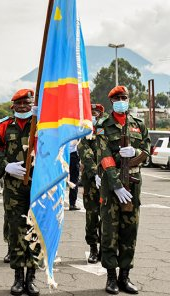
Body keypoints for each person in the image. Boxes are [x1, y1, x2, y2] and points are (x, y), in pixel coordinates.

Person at [0, 89, 40, 296]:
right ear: (13, 106)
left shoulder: (41, 125)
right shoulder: (4, 126)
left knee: (35, 231)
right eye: (20, 104)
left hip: (38, 186)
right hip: (14, 188)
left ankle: (31, 277)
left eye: (27, 103)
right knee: (16, 232)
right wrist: (5, 167)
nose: (24, 107)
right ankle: (18, 277)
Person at [96, 86, 150, 295]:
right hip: (112, 185)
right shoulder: (102, 125)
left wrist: (136, 151)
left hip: (134, 184)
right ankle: (111, 277)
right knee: (110, 231)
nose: (121, 100)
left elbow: (147, 150)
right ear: (111, 101)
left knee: (130, 230)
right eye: (117, 98)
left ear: (128, 99)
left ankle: (125, 276)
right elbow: (104, 154)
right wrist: (116, 184)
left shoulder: (138, 125)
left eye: (124, 97)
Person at [77, 103, 105, 264]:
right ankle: (93, 248)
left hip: (107, 178)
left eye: (96, 113)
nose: (93, 115)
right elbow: (84, 152)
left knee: (107, 216)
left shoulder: (106, 129)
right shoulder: (85, 131)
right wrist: (94, 173)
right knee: (92, 214)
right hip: (90, 179)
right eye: (91, 113)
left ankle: (104, 248)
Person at [68, 139, 81, 211]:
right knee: (74, 179)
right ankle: (72, 204)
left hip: (61, 153)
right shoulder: (76, 127)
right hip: (72, 154)